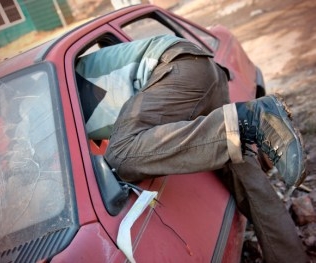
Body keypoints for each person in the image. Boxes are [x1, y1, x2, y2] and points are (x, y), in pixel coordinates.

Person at [76, 34, 308, 262]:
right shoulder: (55, 88)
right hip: (197, 69)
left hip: (176, 69)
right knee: (253, 190)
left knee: (121, 154)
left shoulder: (51, 95)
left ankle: (251, 118)